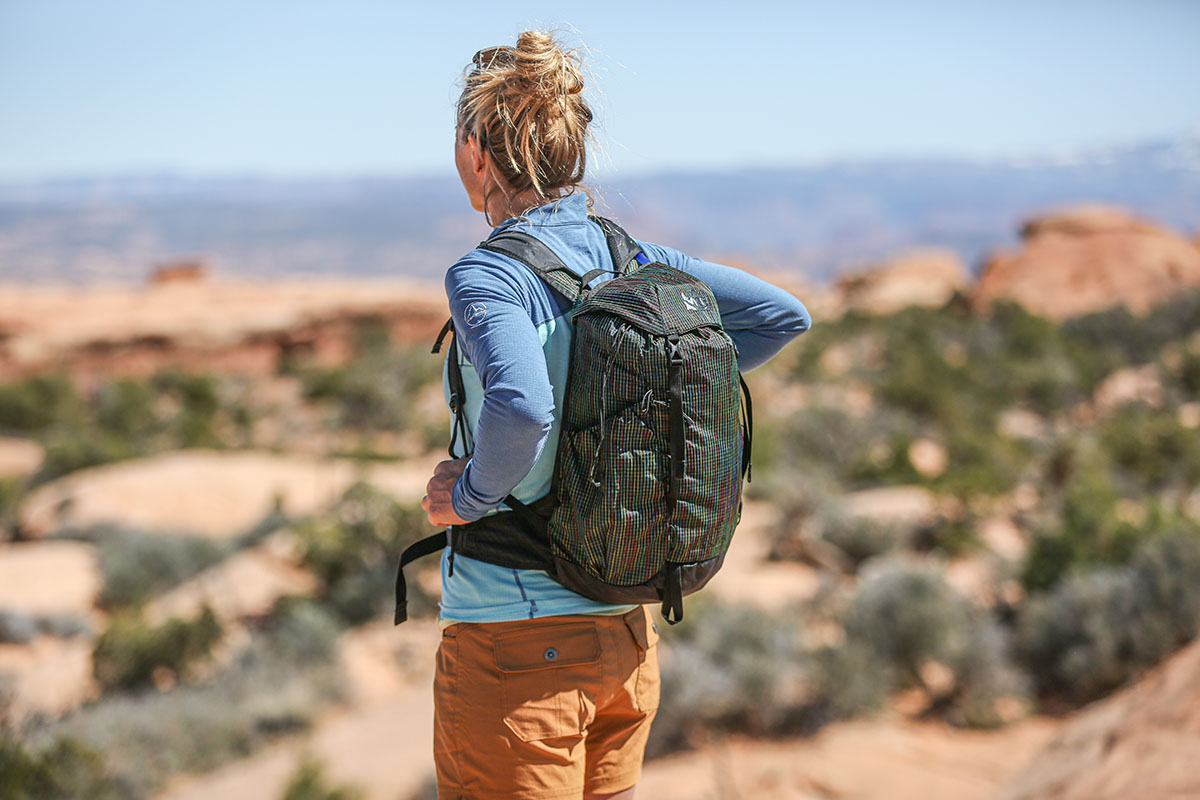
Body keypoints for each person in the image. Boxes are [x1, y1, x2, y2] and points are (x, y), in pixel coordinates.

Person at [420, 30, 811, 800]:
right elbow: (780, 317)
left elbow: (524, 407)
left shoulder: (488, 274)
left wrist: (464, 496)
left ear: (475, 152)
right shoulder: (632, 259)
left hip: (515, 649)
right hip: (624, 639)